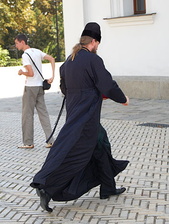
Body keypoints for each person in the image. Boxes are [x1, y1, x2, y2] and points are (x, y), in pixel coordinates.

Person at [30, 22, 129, 212]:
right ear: (93, 41)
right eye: (98, 43)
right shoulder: (93, 60)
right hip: (86, 119)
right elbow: (107, 85)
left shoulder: (68, 62)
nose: (97, 47)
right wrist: (122, 98)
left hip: (77, 116)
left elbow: (65, 89)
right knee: (75, 156)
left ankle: (108, 187)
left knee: (101, 145)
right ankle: (47, 189)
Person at [15, 34, 55, 149]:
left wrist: (22, 72)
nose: (16, 45)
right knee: (43, 114)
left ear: (22, 42)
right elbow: (52, 59)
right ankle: (50, 140)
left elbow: (31, 73)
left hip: (30, 87)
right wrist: (52, 76)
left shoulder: (25, 55)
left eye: (17, 43)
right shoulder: (37, 51)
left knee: (27, 114)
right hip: (40, 87)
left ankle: (28, 142)